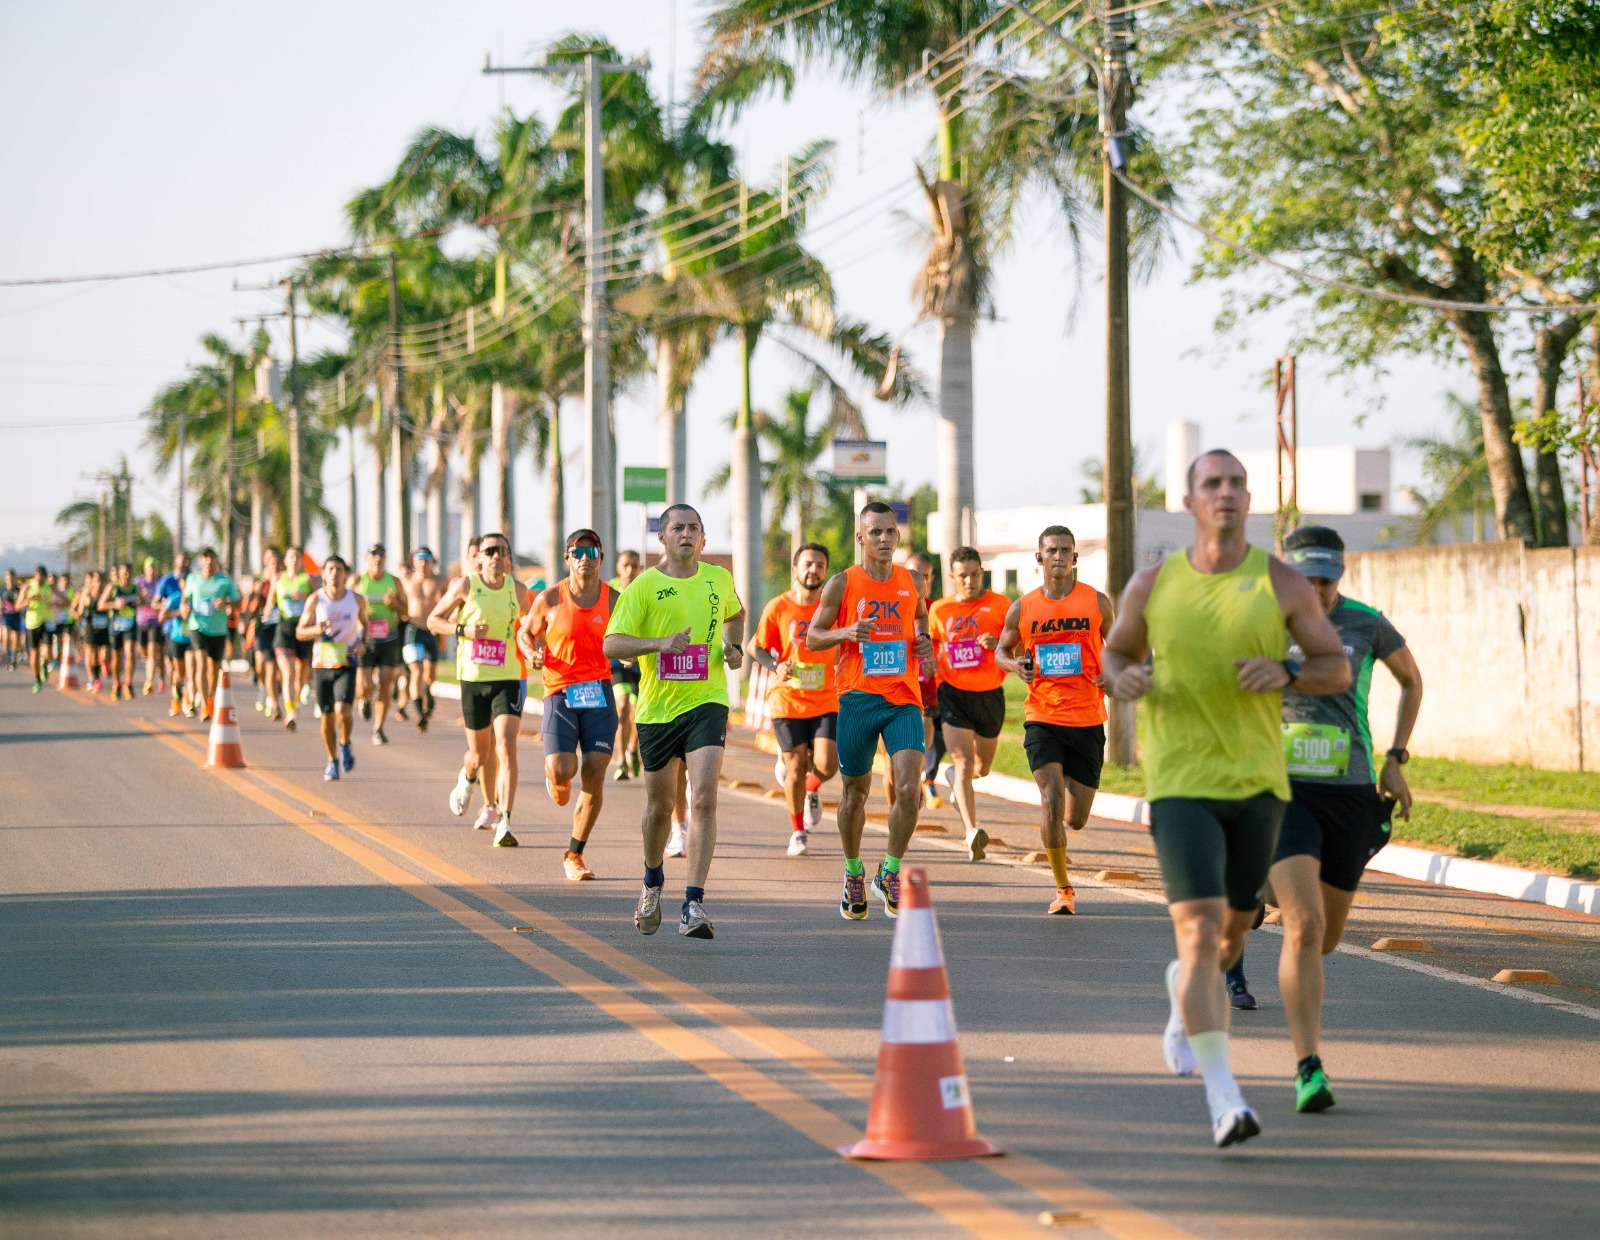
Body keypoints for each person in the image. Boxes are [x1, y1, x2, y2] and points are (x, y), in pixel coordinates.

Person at [1100, 449, 1349, 1148]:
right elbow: (1114, 653)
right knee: (1204, 927)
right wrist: (1121, 679)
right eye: (1214, 484)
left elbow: (1336, 666)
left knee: (1231, 937)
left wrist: (1289, 671)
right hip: (1179, 782)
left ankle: (1187, 987)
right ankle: (1224, 1097)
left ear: (1249, 500)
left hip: (1258, 785)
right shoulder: (1155, 585)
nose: (1228, 493)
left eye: (1238, 483)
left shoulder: (1283, 583)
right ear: (1191, 504)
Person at [1221, 524, 1423, 1113]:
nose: (1317, 590)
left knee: (1327, 938)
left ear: (1341, 573)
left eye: (1326, 579)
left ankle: (1260, 889)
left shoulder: (1366, 623)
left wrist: (1396, 758)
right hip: (1283, 790)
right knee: (1305, 927)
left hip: (1351, 792)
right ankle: (1309, 1066)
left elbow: (1411, 680)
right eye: (1305, 578)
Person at [603, 505, 743, 939]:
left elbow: (736, 615)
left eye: (694, 528)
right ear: (661, 538)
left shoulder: (719, 579)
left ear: (704, 538)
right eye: (677, 528)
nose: (686, 534)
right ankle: (651, 882)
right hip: (658, 710)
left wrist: (733, 647)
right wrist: (658, 644)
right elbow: (612, 643)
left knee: (703, 799)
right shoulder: (643, 586)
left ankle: (693, 902)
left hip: (708, 702)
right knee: (660, 808)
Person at [806, 502, 935, 920]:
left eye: (889, 532)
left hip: (902, 697)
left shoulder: (912, 580)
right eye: (874, 532)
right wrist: (846, 632)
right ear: (860, 537)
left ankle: (890, 870)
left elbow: (920, 620)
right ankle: (853, 871)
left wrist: (924, 644)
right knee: (854, 793)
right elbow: (813, 637)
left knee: (909, 789)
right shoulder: (843, 584)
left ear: (898, 537)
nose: (883, 539)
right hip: (857, 698)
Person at [996, 526, 1115, 915]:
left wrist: (1114, 674)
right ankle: (1064, 889)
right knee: (1050, 800)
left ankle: (1060, 818)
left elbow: (1119, 649)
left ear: (1075, 557)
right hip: (1042, 716)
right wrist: (1016, 666)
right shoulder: (1024, 606)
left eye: (1066, 550)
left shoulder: (1096, 603)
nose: (1059, 557)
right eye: (1052, 550)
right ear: (1039, 558)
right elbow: (1001, 650)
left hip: (1087, 718)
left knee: (1076, 818)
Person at [520, 529, 619, 881]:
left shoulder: (614, 600)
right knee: (564, 769)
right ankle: (557, 779)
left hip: (600, 691)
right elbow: (525, 631)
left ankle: (574, 854)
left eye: (592, 551)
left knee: (595, 771)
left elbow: (633, 633)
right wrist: (531, 651)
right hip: (560, 691)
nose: (585, 557)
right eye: (578, 551)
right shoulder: (549, 598)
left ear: (601, 558)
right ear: (567, 558)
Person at [428, 532, 532, 848]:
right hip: (473, 678)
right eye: (490, 551)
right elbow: (434, 621)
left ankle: (505, 820)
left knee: (506, 745)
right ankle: (467, 777)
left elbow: (532, 627)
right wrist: (464, 630)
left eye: (502, 550)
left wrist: (533, 647)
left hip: (508, 677)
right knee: (479, 753)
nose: (496, 556)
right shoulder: (465, 586)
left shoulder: (520, 591)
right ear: (480, 558)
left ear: (509, 559)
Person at [749, 542, 841, 857]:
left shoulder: (833, 609)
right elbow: (755, 647)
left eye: (819, 564)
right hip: (787, 698)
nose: (813, 569)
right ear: (795, 569)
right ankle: (798, 831)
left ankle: (811, 789)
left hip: (826, 697)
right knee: (795, 765)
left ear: (825, 571)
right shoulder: (778, 607)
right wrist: (777, 665)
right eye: (807, 564)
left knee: (828, 765)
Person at [928, 546, 1012, 862]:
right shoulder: (940, 610)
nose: (969, 581)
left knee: (982, 767)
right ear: (952, 577)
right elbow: (932, 644)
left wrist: (998, 643)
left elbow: (1016, 644)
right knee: (962, 761)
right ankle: (971, 832)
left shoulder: (1000, 605)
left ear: (982, 573)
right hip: (953, 694)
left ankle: (955, 782)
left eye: (975, 574)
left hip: (990, 694)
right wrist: (929, 663)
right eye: (962, 575)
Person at [295, 555, 367, 781]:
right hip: (322, 664)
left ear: (345, 574)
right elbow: (300, 631)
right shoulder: (316, 600)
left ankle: (345, 744)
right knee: (326, 717)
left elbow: (366, 626)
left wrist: (362, 643)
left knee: (342, 711)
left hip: (346, 661)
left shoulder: (356, 599)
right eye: (330, 569)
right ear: (324, 574)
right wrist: (315, 630)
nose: (335, 573)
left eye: (339, 569)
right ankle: (332, 760)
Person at [353, 545, 407, 746]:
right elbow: (347, 606)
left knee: (386, 685)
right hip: (365, 639)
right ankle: (365, 700)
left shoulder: (394, 582)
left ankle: (379, 728)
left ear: (385, 558)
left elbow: (406, 610)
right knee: (364, 686)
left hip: (389, 638)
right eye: (374, 554)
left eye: (381, 554)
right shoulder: (358, 581)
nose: (378, 558)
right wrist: (362, 615)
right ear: (367, 558)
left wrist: (394, 605)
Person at [182, 548, 241, 719]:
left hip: (218, 630)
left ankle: (209, 698)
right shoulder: (193, 579)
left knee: (213, 669)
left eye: (212, 558)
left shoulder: (224, 581)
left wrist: (226, 602)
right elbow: (185, 599)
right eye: (205, 558)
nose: (208, 562)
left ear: (216, 561)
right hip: (197, 626)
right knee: (200, 662)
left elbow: (238, 603)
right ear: (201, 561)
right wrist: (184, 608)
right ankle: (205, 704)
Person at [608, 549, 645, 781]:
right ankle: (620, 760)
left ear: (640, 568)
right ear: (618, 568)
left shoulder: (646, 589)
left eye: (634, 566)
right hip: (616, 661)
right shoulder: (609, 592)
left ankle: (632, 750)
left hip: (642, 660)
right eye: (626, 566)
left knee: (638, 713)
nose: (630, 570)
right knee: (621, 706)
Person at [273, 546, 318, 732]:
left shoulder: (307, 579)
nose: (294, 560)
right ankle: (290, 712)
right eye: (290, 557)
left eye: (297, 557)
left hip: (304, 628)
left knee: (303, 673)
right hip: (284, 628)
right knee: (289, 673)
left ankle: (295, 703)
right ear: (285, 560)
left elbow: (319, 599)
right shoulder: (278, 580)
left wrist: (305, 596)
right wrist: (267, 610)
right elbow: (269, 604)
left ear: (301, 561)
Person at [401, 547, 445, 732]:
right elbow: (398, 600)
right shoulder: (406, 581)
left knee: (430, 674)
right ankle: (420, 713)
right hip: (413, 630)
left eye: (427, 559)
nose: (423, 563)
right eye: (420, 559)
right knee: (416, 671)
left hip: (432, 631)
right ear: (414, 561)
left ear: (432, 562)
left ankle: (428, 690)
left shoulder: (441, 581)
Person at [247, 548, 284, 720]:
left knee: (272, 667)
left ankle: (274, 704)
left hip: (280, 627)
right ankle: (264, 688)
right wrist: (256, 592)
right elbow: (250, 610)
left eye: (277, 563)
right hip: (263, 627)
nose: (274, 566)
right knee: (260, 664)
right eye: (271, 563)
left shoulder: (285, 581)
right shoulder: (261, 583)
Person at [153, 554, 192, 716]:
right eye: (180, 560)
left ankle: (188, 701)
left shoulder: (194, 581)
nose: (183, 563)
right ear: (175, 561)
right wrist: (170, 609)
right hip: (172, 631)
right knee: (176, 669)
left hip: (192, 632)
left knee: (191, 668)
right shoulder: (167, 581)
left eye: (186, 561)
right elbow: (155, 604)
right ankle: (175, 697)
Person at [98, 563, 142, 700]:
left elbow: (143, 601)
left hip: (130, 625)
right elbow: (100, 605)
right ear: (119, 574)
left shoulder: (135, 588)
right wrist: (114, 605)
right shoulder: (113, 587)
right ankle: (116, 683)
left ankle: (128, 683)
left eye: (129, 573)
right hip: (116, 625)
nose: (127, 576)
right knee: (116, 657)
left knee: (130, 653)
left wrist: (140, 601)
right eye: (124, 573)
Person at [19, 566, 59, 692]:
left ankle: (45, 665)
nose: (41, 581)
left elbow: (66, 601)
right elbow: (17, 606)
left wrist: (54, 604)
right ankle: (37, 679)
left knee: (48, 653)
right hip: (32, 623)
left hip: (47, 622)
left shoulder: (50, 586)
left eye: (43, 578)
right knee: (34, 654)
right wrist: (29, 599)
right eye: (39, 578)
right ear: (35, 575)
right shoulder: (28, 586)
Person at [134, 557, 164, 695]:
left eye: (153, 567)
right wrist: (139, 598)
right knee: (143, 650)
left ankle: (149, 681)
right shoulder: (138, 583)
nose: (151, 570)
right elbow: (132, 600)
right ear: (145, 569)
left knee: (153, 650)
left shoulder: (160, 583)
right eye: (149, 567)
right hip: (142, 622)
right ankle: (152, 664)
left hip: (156, 622)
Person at [75, 570, 109, 693]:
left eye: (101, 581)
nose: (98, 584)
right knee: (91, 653)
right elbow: (78, 612)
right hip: (90, 627)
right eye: (96, 581)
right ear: (92, 582)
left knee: (104, 654)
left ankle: (102, 666)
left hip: (104, 627)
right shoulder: (86, 595)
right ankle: (94, 678)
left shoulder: (106, 594)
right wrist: (81, 612)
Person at [2, 569, 22, 671]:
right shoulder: (2, 590)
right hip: (6, 617)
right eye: (8, 576)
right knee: (5, 637)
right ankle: (8, 657)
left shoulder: (18, 590)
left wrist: (17, 599)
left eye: (11, 577)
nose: (10, 579)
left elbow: (22, 603)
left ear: (14, 578)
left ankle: (14, 657)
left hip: (16, 617)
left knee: (15, 639)